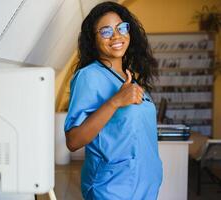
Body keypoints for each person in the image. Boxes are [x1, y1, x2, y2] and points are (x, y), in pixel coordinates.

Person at [64, 1, 163, 200]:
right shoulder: (89, 76)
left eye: (121, 28)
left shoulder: (127, 76)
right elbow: (73, 141)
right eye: (106, 31)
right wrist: (115, 101)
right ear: (93, 39)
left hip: (145, 185)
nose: (116, 35)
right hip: (113, 188)